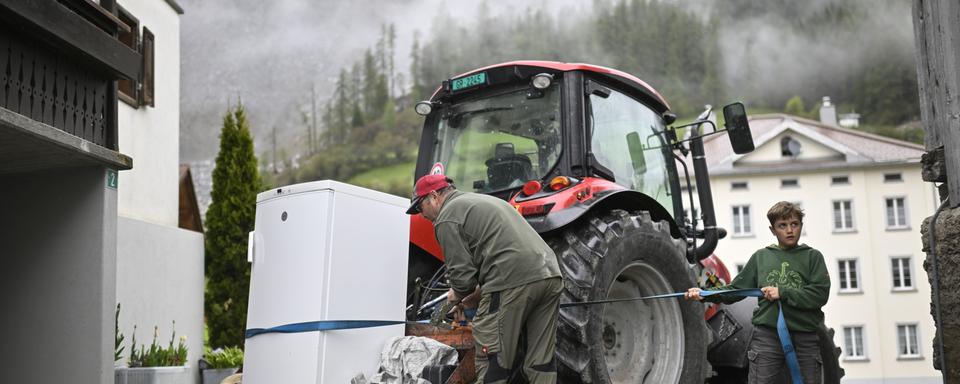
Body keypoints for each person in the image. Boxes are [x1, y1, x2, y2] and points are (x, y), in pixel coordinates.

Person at [406, 173, 563, 384]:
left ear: (434, 197)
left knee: (492, 359)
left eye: (420, 207)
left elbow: (463, 280)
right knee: (540, 361)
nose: (420, 214)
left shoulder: (447, 217)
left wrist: (455, 296)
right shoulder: (483, 201)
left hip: (511, 280)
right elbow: (495, 253)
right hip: (550, 274)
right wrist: (474, 294)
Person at [685, 201, 829, 384]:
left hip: (805, 337)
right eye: (782, 226)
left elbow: (819, 294)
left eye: (794, 224)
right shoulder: (761, 257)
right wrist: (704, 294)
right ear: (773, 230)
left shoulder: (813, 257)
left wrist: (783, 292)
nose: (790, 230)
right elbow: (736, 290)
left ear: (801, 225)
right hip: (767, 337)